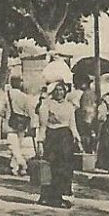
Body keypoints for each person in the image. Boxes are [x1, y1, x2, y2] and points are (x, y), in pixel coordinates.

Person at [35, 80, 79, 208]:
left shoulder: (69, 106)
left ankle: (59, 195)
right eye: (57, 90)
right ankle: (49, 196)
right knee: (51, 167)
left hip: (65, 139)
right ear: (53, 92)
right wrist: (40, 143)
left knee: (64, 168)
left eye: (62, 90)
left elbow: (72, 124)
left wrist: (78, 139)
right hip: (52, 138)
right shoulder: (46, 105)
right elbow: (42, 126)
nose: (59, 93)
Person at [0, 74, 34, 176]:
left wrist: (6, 114)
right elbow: (30, 111)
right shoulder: (25, 96)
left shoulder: (6, 95)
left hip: (10, 124)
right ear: (20, 83)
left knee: (13, 147)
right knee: (17, 147)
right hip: (22, 124)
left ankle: (23, 165)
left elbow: (0, 111)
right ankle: (14, 168)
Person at [76, 72, 102, 154]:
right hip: (89, 117)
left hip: (88, 118)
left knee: (88, 137)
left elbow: (88, 109)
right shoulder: (90, 93)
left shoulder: (87, 94)